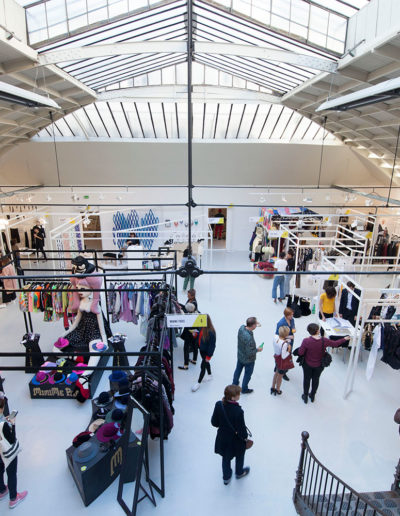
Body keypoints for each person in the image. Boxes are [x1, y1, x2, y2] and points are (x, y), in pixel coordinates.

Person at [297, 323, 350, 403]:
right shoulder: (323, 340)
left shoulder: (306, 341)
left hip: (307, 364)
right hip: (319, 365)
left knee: (306, 379)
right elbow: (335, 344)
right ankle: (312, 395)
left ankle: (305, 396)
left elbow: (301, 353)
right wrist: (344, 339)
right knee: (316, 379)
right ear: (318, 331)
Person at [211, 385, 250, 485]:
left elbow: (214, 423)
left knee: (226, 457)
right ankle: (239, 472)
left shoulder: (219, 405)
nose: (239, 395)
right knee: (240, 455)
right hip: (235, 440)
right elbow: (242, 430)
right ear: (233, 397)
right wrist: (245, 437)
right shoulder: (238, 411)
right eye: (238, 394)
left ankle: (226, 477)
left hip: (223, 438)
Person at [0, 398, 28, 509]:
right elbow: (12, 439)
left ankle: (2, 489)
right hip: (7, 452)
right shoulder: (3, 425)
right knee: (11, 473)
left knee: (0, 469)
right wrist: (13, 424)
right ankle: (13, 498)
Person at [232, 317, 263, 394]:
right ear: (252, 325)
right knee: (247, 374)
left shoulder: (241, 328)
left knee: (238, 370)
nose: (256, 325)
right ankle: (244, 389)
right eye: (255, 324)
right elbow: (250, 352)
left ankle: (235, 383)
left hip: (240, 355)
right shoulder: (249, 338)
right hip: (249, 359)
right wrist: (257, 350)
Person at [192, 315, 216, 392]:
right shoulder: (201, 327)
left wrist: (208, 357)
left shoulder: (211, 332)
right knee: (205, 363)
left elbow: (212, 346)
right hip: (201, 350)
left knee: (203, 366)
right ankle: (210, 374)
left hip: (206, 352)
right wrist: (195, 335)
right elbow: (199, 336)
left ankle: (198, 383)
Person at [275, 307, 296, 381]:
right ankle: (283, 372)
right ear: (286, 315)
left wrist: (293, 329)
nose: (292, 317)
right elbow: (278, 335)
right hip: (284, 342)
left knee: (287, 355)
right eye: (290, 315)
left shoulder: (292, 320)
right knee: (284, 357)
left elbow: (293, 326)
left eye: (292, 315)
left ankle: (278, 368)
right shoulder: (281, 323)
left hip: (290, 342)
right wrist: (288, 336)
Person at [271, 326, 292, 396]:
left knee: (276, 372)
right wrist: (289, 349)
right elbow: (284, 356)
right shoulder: (284, 344)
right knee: (280, 376)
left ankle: (273, 387)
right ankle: (278, 389)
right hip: (281, 361)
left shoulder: (275, 337)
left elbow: (280, 339)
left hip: (276, 357)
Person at [178, 303, 199, 370]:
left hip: (189, 332)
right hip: (195, 331)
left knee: (186, 348)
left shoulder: (188, 316)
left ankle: (186, 365)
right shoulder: (197, 313)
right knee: (195, 346)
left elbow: (183, 316)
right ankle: (194, 360)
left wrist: (181, 310)